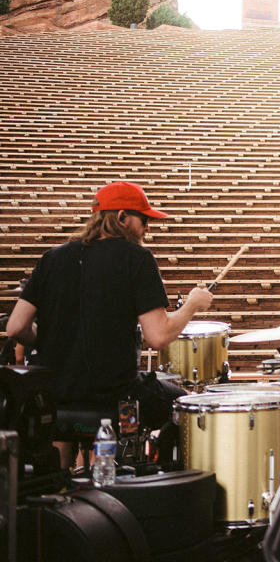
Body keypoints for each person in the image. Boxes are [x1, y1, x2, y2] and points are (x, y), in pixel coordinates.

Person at [5, 181, 213, 467]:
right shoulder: (137, 258)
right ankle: (161, 488)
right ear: (121, 218)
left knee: (60, 426)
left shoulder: (52, 258)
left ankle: (62, 482)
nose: (148, 228)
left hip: (56, 394)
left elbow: (16, 328)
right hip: (115, 394)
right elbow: (158, 336)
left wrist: (48, 337)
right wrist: (192, 305)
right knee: (186, 407)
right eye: (145, 219)